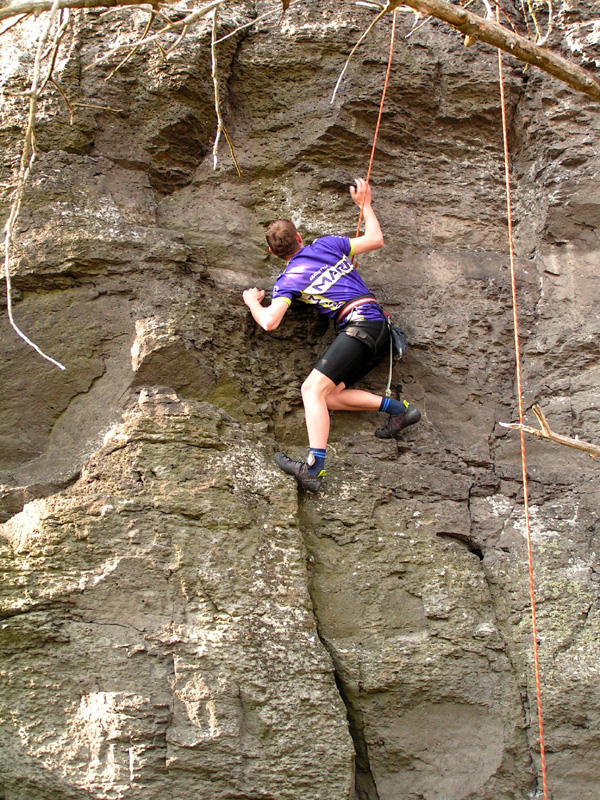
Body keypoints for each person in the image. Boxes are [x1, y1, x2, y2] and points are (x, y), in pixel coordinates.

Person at [242, 178, 420, 492]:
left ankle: (314, 468)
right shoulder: (327, 245)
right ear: (299, 237)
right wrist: (364, 204)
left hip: (359, 327)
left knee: (310, 390)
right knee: (329, 398)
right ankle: (399, 412)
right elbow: (375, 239)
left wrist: (252, 303)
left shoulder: (289, 279)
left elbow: (270, 322)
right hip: (378, 328)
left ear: (272, 252)